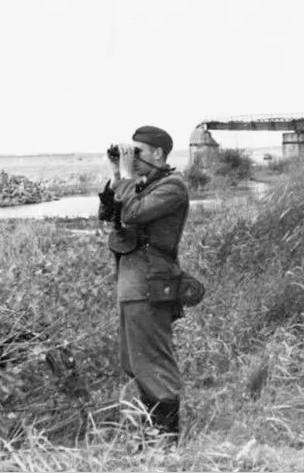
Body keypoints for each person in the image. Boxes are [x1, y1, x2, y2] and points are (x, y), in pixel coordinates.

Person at [108, 125, 189, 444]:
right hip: (133, 286)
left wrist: (128, 178)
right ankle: (154, 437)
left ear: (158, 153)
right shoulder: (143, 185)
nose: (133, 157)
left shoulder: (172, 186)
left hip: (151, 286)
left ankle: (165, 442)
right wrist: (117, 174)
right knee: (136, 363)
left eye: (137, 152)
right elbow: (110, 213)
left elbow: (132, 214)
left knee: (154, 363)